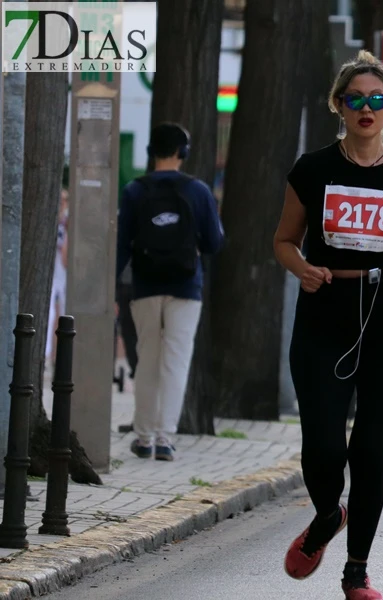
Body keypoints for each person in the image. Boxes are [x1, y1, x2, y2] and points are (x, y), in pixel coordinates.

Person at [274, 50, 383, 599]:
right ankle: (328, 514)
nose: (366, 108)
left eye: (377, 99)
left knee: (371, 449)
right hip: (323, 312)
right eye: (355, 100)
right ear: (339, 107)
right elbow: (283, 241)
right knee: (323, 445)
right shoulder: (313, 169)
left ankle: (356, 570)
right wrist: (302, 268)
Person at [116, 122, 224, 462]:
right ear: (183, 152)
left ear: (152, 152)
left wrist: (113, 282)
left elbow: (122, 243)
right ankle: (165, 438)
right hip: (186, 286)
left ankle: (143, 436)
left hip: (145, 285)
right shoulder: (198, 191)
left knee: (147, 359)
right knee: (176, 362)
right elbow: (214, 241)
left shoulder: (135, 190)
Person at [46, 188, 68, 367]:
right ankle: (47, 355)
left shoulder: (66, 223)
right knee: (51, 313)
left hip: (63, 273)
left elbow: (66, 258)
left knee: (65, 314)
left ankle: (60, 356)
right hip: (52, 273)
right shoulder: (49, 221)